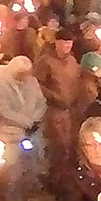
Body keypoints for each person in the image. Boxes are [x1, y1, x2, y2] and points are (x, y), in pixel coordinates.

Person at [0, 54, 45, 201]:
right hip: (12, 134)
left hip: (32, 132)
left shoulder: (32, 83)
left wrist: (36, 119)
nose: (24, 77)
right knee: (14, 173)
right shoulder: (2, 84)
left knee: (32, 169)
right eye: (21, 74)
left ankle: (25, 199)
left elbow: (41, 102)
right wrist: (26, 121)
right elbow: (4, 110)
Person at [35, 27, 82, 168]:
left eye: (70, 42)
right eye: (64, 42)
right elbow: (37, 84)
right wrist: (53, 96)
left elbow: (76, 82)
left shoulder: (72, 61)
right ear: (56, 42)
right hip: (53, 111)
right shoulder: (46, 61)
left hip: (71, 110)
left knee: (70, 145)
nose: (67, 45)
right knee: (58, 145)